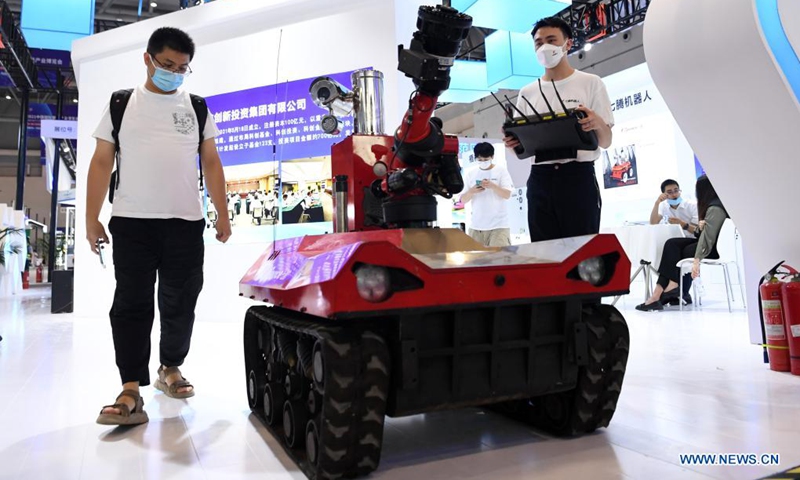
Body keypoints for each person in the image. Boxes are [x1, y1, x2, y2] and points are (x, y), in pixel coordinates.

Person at [86, 27, 231, 426]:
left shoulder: (196, 107)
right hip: (132, 222)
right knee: (131, 303)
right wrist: (90, 217)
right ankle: (130, 387)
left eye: (182, 67)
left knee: (181, 301)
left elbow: (212, 162)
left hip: (185, 223)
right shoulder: (122, 104)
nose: (174, 72)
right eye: (167, 64)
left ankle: (170, 368)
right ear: (148, 59)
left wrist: (222, 212)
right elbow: (102, 162)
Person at [503, 17, 614, 242]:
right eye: (538, 42)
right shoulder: (527, 92)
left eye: (551, 40)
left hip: (578, 177)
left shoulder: (591, 82)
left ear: (568, 44)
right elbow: (523, 149)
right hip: (540, 179)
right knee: (544, 253)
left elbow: (606, 141)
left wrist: (596, 123)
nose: (544, 47)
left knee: (582, 252)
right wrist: (514, 142)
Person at [636, 175, 728, 311]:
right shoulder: (665, 206)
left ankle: (661, 294)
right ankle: (669, 289)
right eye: (670, 192)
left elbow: (705, 237)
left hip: (702, 244)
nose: (674, 194)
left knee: (676, 251)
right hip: (690, 240)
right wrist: (657, 203)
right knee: (671, 244)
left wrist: (684, 225)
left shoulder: (708, 207)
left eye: (676, 190)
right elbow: (654, 223)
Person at [460, 142, 514, 247]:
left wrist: (493, 186)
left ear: (492, 157)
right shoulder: (471, 174)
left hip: (499, 226)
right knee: (476, 261)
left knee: (499, 259)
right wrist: (471, 191)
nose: (483, 162)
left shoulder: (501, 171)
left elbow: (507, 194)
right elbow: (462, 200)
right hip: (476, 227)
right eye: (480, 160)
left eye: (486, 160)